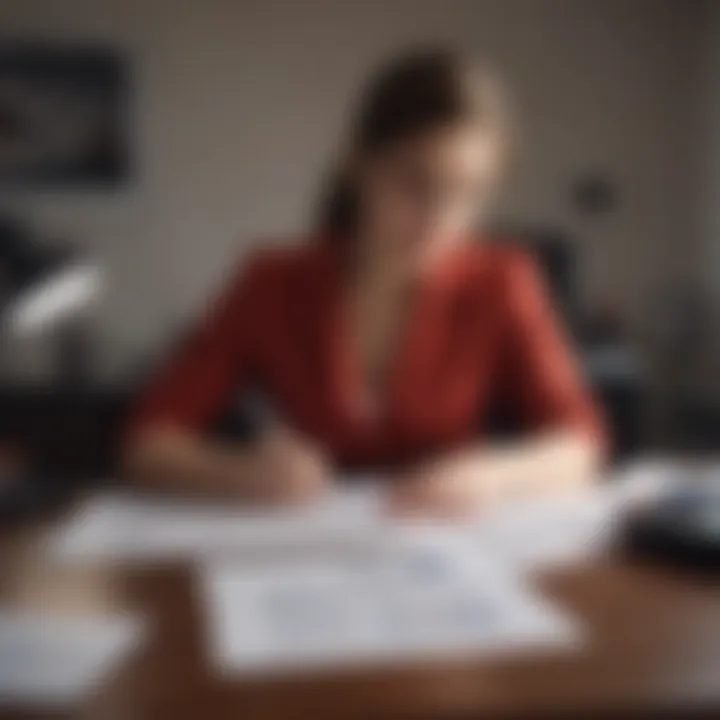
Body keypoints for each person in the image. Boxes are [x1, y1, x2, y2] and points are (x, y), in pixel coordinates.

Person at [124, 48, 605, 517]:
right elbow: (150, 442)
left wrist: (487, 476)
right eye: (416, 183)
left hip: (443, 548)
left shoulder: (504, 281)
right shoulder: (270, 282)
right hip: (302, 548)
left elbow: (580, 444)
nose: (440, 220)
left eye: (468, 194)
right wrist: (240, 473)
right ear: (357, 166)